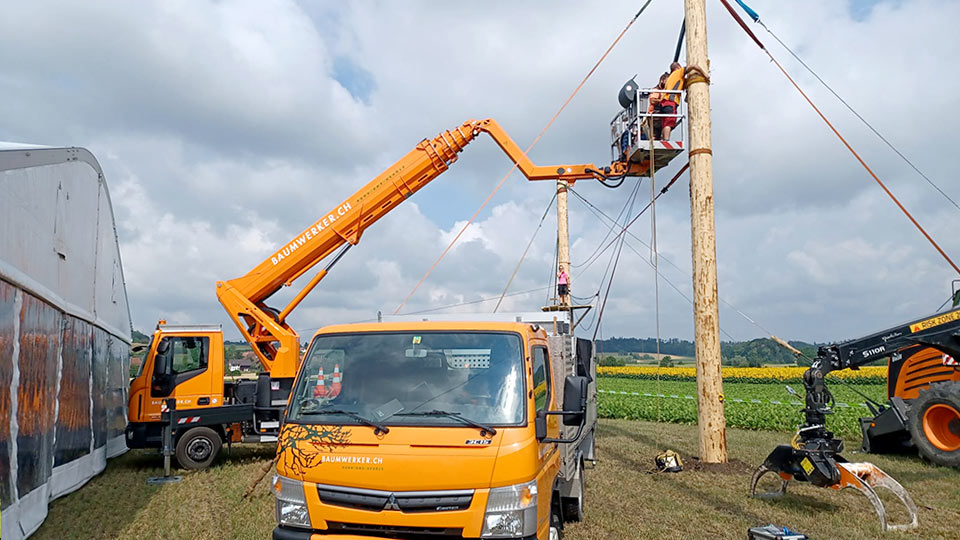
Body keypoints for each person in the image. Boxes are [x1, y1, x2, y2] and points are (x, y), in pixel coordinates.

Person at [661, 62, 685, 140]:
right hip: (670, 101)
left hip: (665, 102)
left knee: (666, 122)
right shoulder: (678, 72)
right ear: (678, 67)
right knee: (669, 121)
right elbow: (692, 66)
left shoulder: (672, 77)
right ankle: (666, 140)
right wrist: (704, 74)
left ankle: (665, 139)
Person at [644, 72, 669, 140]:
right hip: (654, 116)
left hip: (660, 117)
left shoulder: (664, 91)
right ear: (662, 80)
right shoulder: (656, 90)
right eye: (667, 81)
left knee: (659, 136)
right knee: (654, 136)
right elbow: (652, 101)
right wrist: (661, 100)